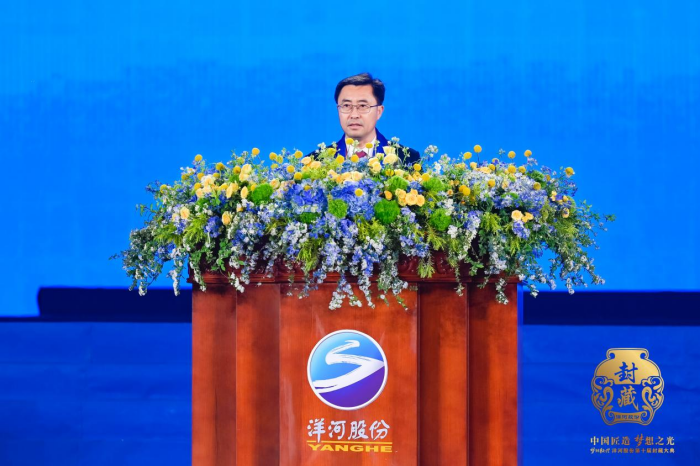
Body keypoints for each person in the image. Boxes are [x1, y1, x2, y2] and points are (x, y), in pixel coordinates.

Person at [310, 72, 420, 164]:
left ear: (379, 111)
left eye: (362, 106)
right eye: (346, 106)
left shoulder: (408, 159)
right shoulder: (316, 162)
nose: (354, 115)